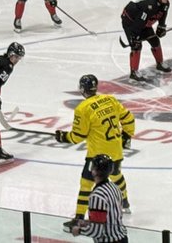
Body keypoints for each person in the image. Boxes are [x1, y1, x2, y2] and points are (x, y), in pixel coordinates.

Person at [58, 74, 136, 231]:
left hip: (97, 156)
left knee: (86, 184)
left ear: (81, 89)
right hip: (115, 150)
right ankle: (125, 202)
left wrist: (63, 137)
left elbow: (78, 137)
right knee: (116, 176)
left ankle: (79, 218)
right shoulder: (110, 100)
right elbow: (129, 119)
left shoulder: (82, 108)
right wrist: (127, 136)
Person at [66, 153, 129, 242]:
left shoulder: (97, 196)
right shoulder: (115, 187)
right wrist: (87, 222)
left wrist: (78, 230)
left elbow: (97, 231)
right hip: (122, 238)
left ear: (94, 171)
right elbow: (110, 217)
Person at [120, 0, 172, 81]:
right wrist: (134, 36)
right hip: (130, 21)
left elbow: (163, 15)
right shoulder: (150, 6)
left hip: (142, 22)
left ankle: (160, 64)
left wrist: (161, 26)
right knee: (136, 45)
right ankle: (134, 72)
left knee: (155, 41)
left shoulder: (166, 4)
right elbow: (140, 21)